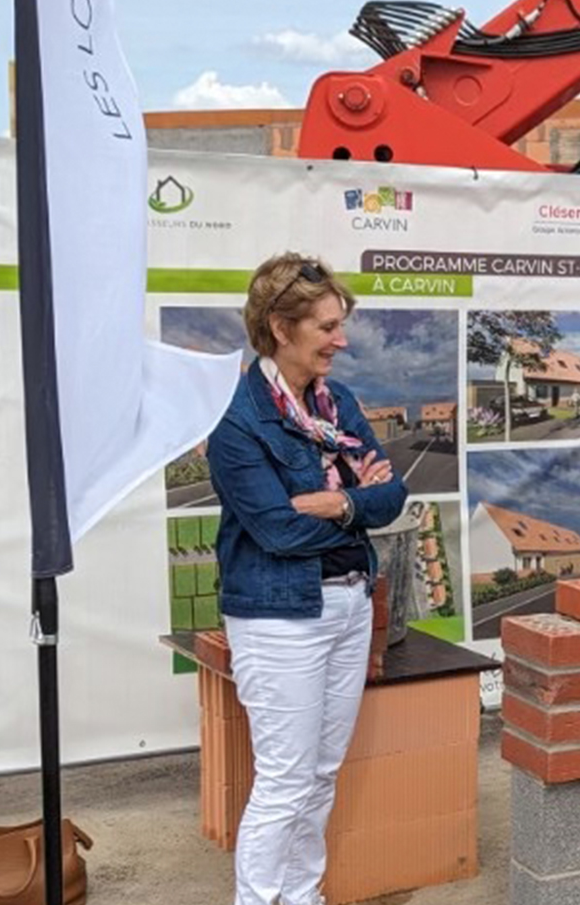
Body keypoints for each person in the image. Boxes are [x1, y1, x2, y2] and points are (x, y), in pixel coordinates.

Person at [207, 253, 408, 905]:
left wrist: (340, 502)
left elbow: (391, 494)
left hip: (349, 602)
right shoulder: (239, 422)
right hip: (279, 614)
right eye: (326, 325)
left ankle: (302, 895)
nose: (341, 339)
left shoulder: (337, 401)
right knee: (287, 779)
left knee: (320, 774)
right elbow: (275, 530)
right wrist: (357, 504)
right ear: (280, 326)